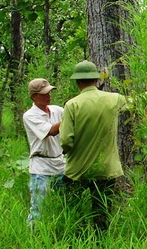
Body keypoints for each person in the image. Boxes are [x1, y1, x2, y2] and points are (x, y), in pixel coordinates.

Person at [58, 60, 129, 230]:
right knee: (102, 213)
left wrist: (67, 151)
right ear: (97, 80)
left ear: (78, 82)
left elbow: (66, 140)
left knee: (74, 213)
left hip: (78, 170)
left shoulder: (72, 105)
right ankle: (101, 244)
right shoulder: (114, 99)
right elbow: (135, 104)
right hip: (106, 169)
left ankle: (76, 243)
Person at [22, 78, 65, 225]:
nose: (49, 95)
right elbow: (51, 131)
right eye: (44, 93)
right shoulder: (30, 115)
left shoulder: (57, 110)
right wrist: (72, 116)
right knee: (38, 208)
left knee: (64, 203)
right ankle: (34, 236)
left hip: (60, 164)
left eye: (49, 92)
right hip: (41, 167)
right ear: (34, 97)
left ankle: (60, 229)